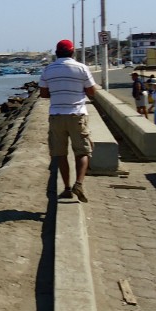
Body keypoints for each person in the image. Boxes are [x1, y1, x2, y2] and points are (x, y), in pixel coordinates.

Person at [38, 39, 97, 202]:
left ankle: (67, 188)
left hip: (56, 115)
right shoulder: (82, 68)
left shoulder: (48, 69)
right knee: (82, 151)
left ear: (57, 53)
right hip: (77, 115)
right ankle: (79, 183)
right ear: (72, 52)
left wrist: (57, 94)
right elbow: (92, 92)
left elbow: (43, 94)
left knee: (60, 154)